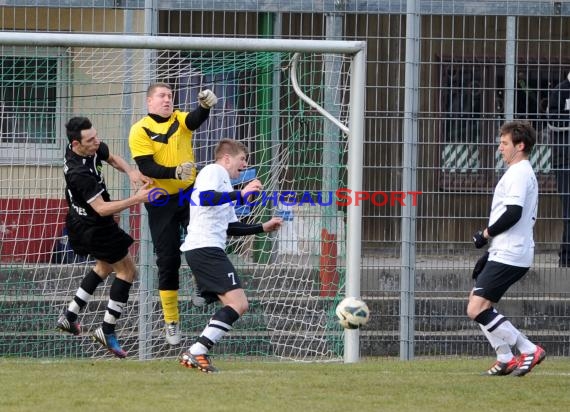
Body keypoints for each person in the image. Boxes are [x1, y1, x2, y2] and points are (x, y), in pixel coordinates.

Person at [178, 138, 283, 373]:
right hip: (205, 249)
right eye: (242, 159)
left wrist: (262, 227)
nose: (245, 165)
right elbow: (204, 198)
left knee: (234, 304)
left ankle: (202, 307)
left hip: (207, 249)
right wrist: (240, 194)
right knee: (239, 303)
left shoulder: (224, 185)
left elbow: (230, 228)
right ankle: (196, 350)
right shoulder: (214, 171)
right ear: (226, 158)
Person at [128, 83, 218, 345]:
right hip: (160, 200)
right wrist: (173, 172)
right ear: (149, 102)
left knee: (202, 241)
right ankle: (171, 321)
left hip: (189, 193)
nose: (167, 100)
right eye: (161, 96)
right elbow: (146, 166)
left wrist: (204, 106)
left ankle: (204, 289)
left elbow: (194, 119)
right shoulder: (140, 129)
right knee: (168, 259)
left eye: (170, 96)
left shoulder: (179, 118)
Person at [56, 116, 153, 358]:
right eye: (90, 140)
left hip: (81, 222)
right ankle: (106, 330)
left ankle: (70, 316)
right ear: (76, 145)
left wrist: (131, 172)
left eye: (96, 136)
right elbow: (100, 208)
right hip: (95, 227)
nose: (96, 142)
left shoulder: (91, 147)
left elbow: (112, 158)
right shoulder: (79, 172)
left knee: (103, 267)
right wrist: (136, 199)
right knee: (128, 271)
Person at [468, 120, 545, 376]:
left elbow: (513, 213)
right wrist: (490, 251)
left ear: (519, 146)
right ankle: (504, 357)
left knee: (475, 309)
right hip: (506, 251)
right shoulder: (518, 172)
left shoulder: (519, 173)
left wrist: (485, 234)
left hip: (511, 253)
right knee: (478, 302)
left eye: (504, 143)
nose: (500, 148)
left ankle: (528, 349)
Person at [547, 71, 570, 267]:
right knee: (568, 210)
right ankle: (566, 258)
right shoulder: (561, 91)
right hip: (565, 160)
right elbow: (553, 121)